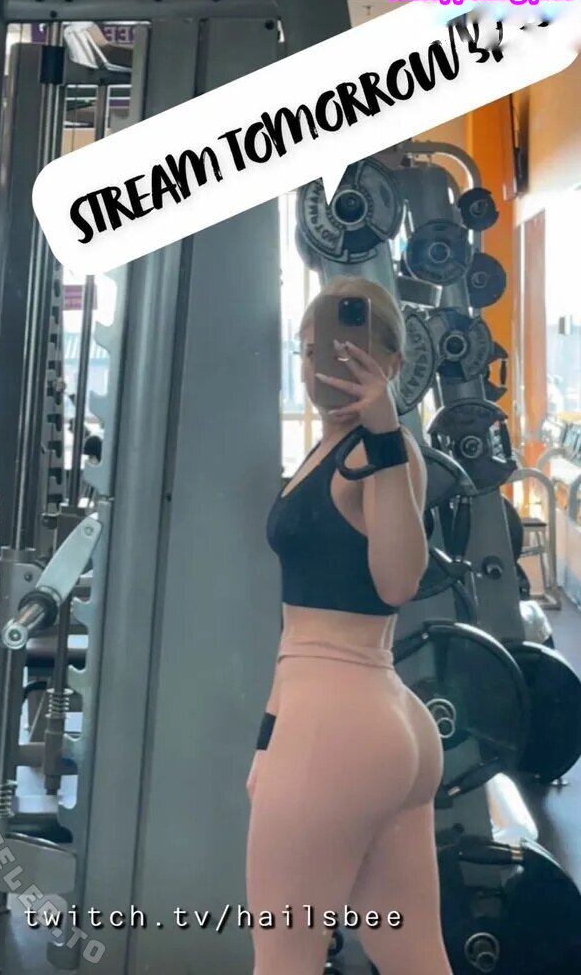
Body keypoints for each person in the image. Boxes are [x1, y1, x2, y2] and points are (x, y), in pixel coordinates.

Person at [245, 276, 452, 975]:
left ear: (393, 364)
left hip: (337, 728)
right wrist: (268, 741)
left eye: (341, 350)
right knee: (412, 953)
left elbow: (398, 583)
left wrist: (387, 431)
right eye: (309, 351)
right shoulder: (327, 450)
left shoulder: (384, 455)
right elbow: (293, 637)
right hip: (371, 724)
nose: (320, 366)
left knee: (284, 958)